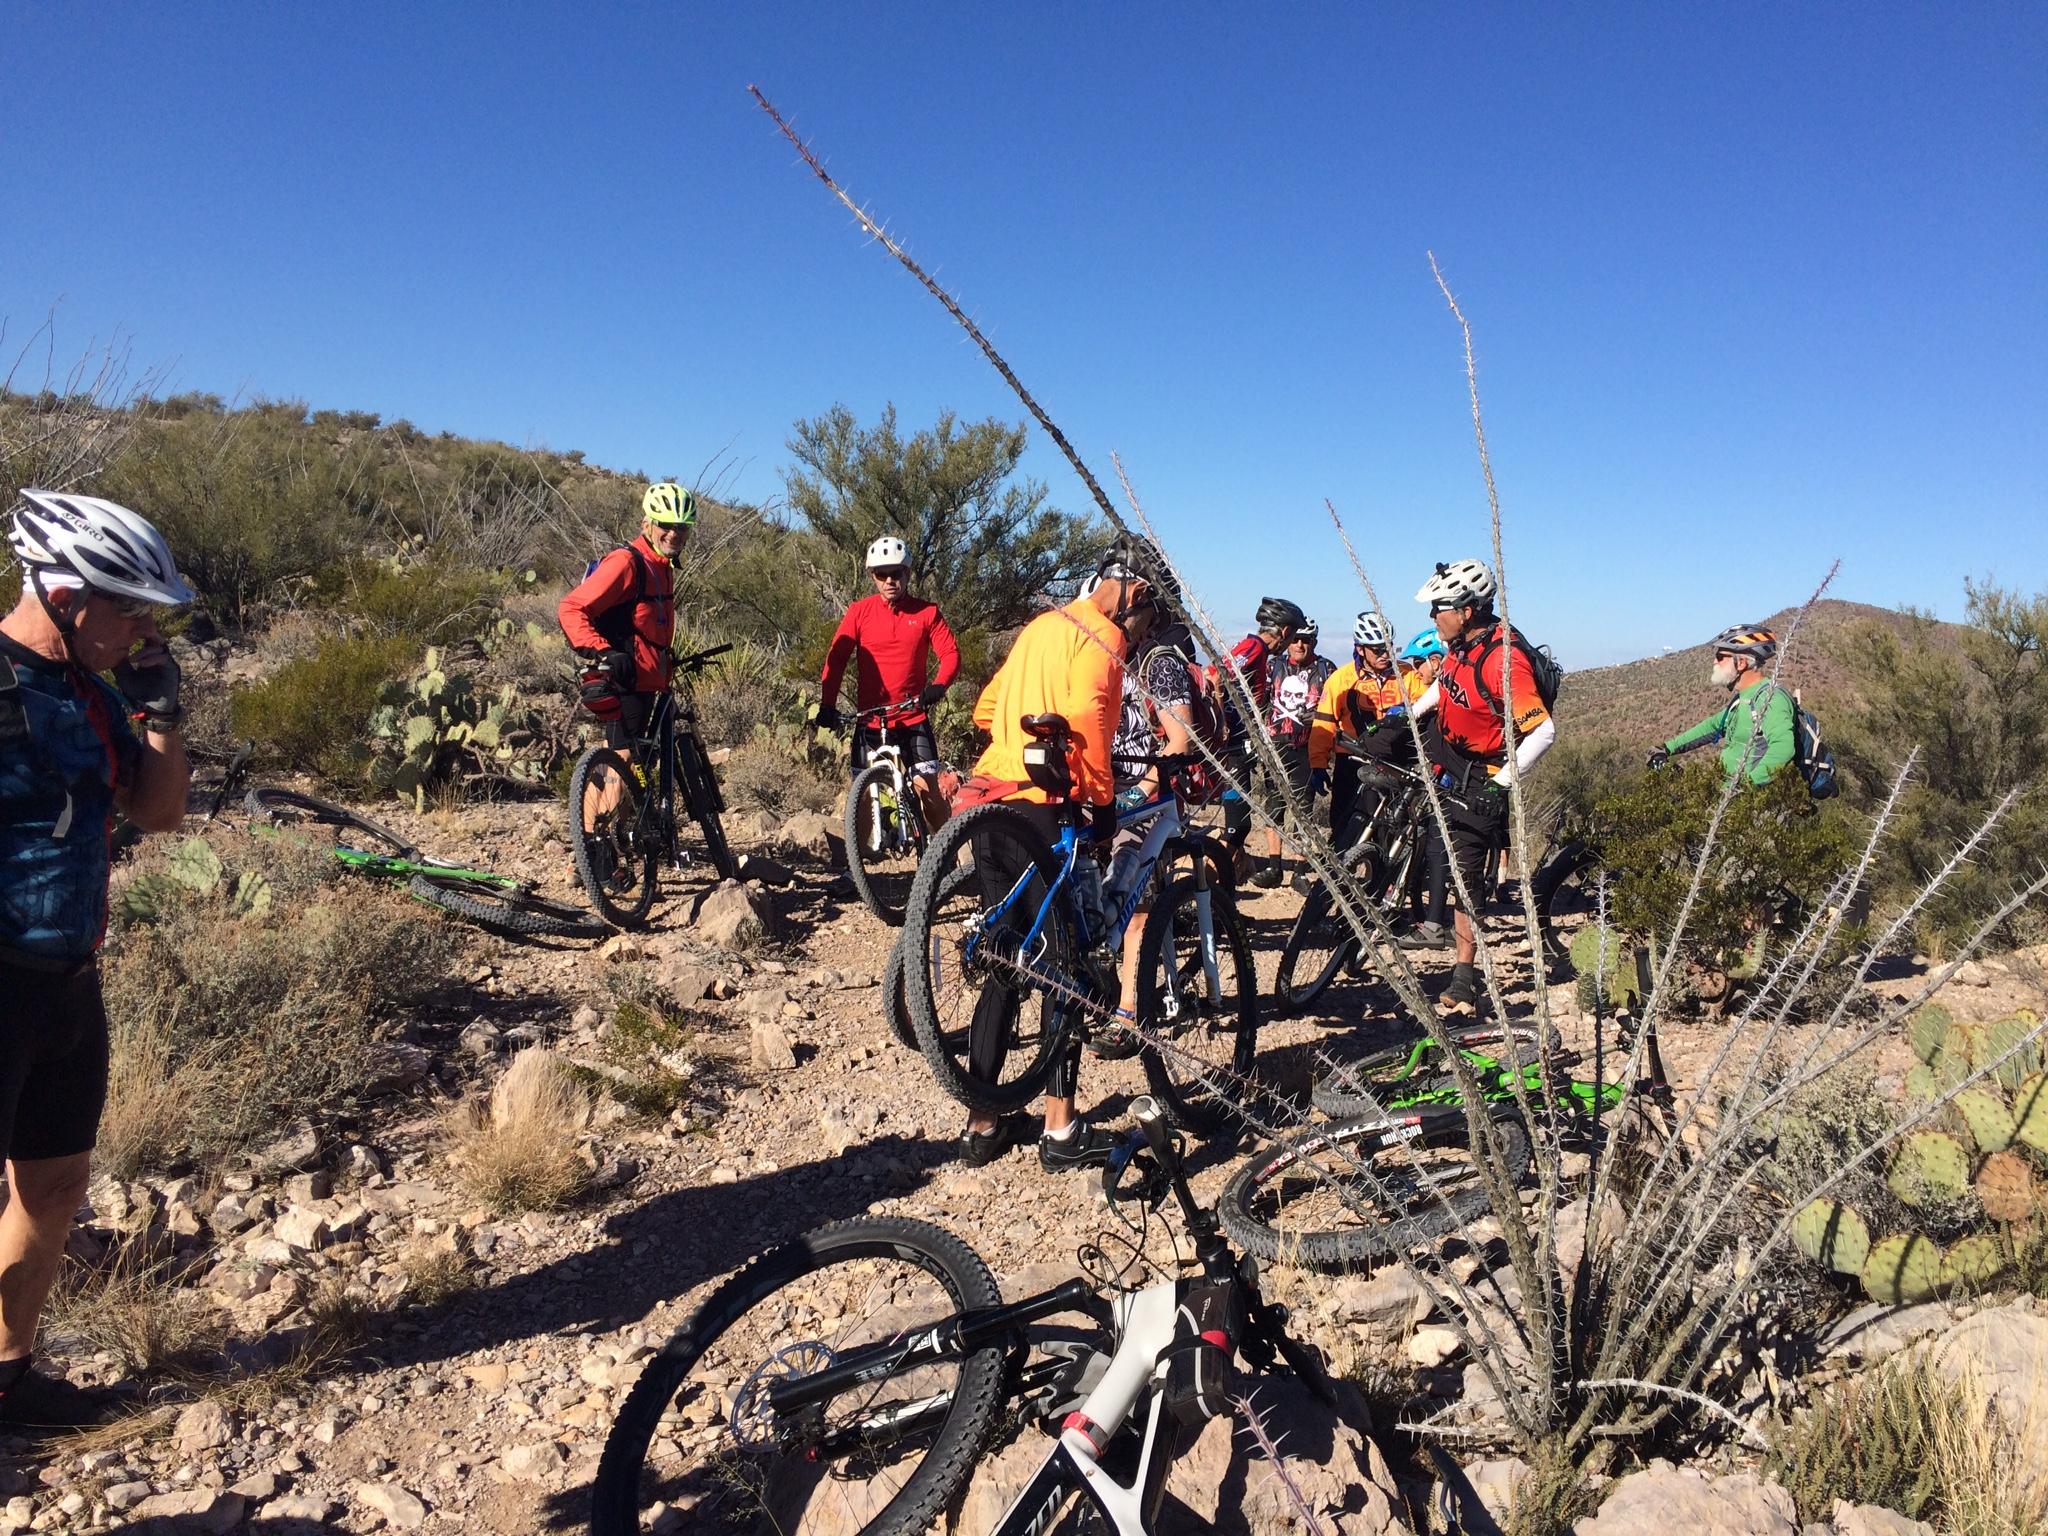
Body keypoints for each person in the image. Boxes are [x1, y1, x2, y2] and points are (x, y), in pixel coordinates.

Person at [1, 490, 194, 1426]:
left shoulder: (90, 693)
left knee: (55, 1186)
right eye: (128, 608)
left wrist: (161, 715)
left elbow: (157, 813)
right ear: (68, 595)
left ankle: (7, 1372)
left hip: (70, 984)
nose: (141, 630)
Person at [956, 537, 1164, 1173]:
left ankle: (984, 1123)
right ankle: (1061, 1129)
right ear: (1138, 596)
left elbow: (986, 708)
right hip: (1045, 810)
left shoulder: (1042, 625)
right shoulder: (1105, 638)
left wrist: (1022, 738)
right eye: (1151, 615)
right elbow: (1089, 713)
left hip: (991, 799)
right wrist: (1100, 805)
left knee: (1005, 963)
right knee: (1063, 963)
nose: (1146, 628)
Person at [1400, 559, 1556, 1009]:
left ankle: (1465, 974)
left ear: (1467, 610)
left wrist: (1502, 783)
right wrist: (1408, 715)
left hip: (1482, 774)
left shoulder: (1504, 661)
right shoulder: (1460, 646)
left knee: (1464, 875)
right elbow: (1446, 687)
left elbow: (1543, 731)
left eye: (1439, 609)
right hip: (1448, 751)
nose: (1433, 617)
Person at [814, 535, 960, 830]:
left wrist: (939, 685)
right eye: (882, 574)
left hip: (912, 717)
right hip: (870, 721)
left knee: (928, 790)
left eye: (896, 573)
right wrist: (827, 704)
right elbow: (837, 658)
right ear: (873, 577)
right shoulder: (859, 612)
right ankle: (858, 869)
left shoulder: (927, 612)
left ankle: (945, 860)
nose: (890, 580)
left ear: (907, 573)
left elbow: (951, 654)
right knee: (862, 799)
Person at [558, 481, 693, 753]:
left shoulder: (661, 564)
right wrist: (604, 651)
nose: (673, 533)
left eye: (681, 526)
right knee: (622, 769)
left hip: (647, 681)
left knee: (631, 768)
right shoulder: (627, 562)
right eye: (665, 525)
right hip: (626, 679)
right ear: (647, 524)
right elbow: (571, 607)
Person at [1309, 611, 1411, 850]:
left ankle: (1387, 881)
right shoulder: (1341, 679)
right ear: (1360, 648)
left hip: (1395, 762)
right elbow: (1324, 723)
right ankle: (1339, 877)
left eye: (1388, 647)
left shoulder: (1407, 676)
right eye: (1377, 650)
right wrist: (1318, 765)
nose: (1385, 655)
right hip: (1352, 760)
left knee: (1393, 826)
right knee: (1344, 824)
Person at [1213, 597, 1304, 858]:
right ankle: (1209, 880)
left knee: (1239, 822)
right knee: (1238, 825)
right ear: (1285, 631)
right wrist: (1221, 723)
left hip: (1238, 746)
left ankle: (1228, 875)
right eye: (1293, 634)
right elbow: (1217, 676)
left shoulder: (1258, 651)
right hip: (1231, 747)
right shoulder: (1253, 647)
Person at [1648, 626, 1795, 786]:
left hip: (1752, 804)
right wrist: (1667, 748)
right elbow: (1712, 726)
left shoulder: (1770, 698)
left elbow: (1783, 748)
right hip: (1730, 799)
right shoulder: (1743, 698)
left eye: (1720, 657)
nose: (1714, 661)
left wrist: (1742, 789)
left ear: (1741, 663)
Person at [1253, 618, 1335, 888]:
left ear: (1314, 642)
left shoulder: (1325, 669)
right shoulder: (1274, 665)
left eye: (1307, 640)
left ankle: (1300, 868)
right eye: (1297, 638)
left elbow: (1333, 708)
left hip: (1307, 746)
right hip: (1276, 744)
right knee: (1273, 805)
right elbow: (1259, 701)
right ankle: (1273, 867)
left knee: (1304, 808)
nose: (1300, 644)